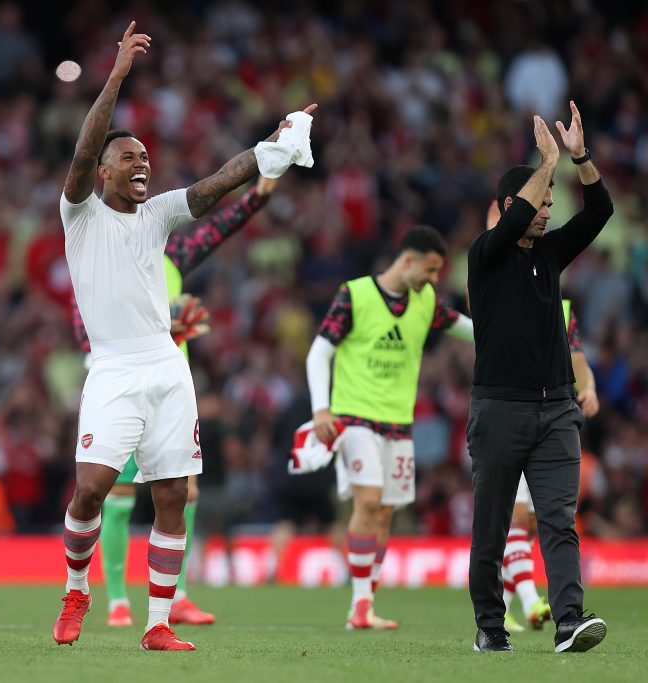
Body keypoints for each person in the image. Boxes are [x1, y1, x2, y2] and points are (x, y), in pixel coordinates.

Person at [54, 20, 314, 651]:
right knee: (90, 489)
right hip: (112, 369)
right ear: (104, 171)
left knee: (173, 495)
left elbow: (220, 182)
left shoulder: (159, 213)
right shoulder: (80, 214)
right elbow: (83, 152)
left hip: (167, 367)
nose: (141, 162)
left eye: (146, 156)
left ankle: (157, 624)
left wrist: (274, 144)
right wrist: (117, 76)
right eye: (129, 157)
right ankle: (77, 587)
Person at [73, 176, 279, 627]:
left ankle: (178, 596)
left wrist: (259, 194)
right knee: (116, 493)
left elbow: (217, 228)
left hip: (169, 386)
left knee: (184, 491)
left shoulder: (171, 254)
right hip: (120, 387)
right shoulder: (95, 250)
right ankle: (117, 601)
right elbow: (84, 323)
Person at [467, 103, 612, 653]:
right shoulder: (485, 256)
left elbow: (600, 210)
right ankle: (490, 625)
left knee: (559, 521)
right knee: (492, 527)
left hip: (556, 410)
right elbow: (510, 226)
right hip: (499, 409)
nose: (549, 210)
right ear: (512, 204)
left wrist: (579, 156)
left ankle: (569, 621)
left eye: (551, 203)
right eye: (543, 202)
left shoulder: (550, 254)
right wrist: (545, 162)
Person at [306, 226, 474, 630]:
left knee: (384, 513)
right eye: (430, 270)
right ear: (408, 260)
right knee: (368, 501)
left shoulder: (426, 302)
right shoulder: (354, 295)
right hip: (353, 418)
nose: (434, 279)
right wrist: (321, 409)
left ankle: (365, 605)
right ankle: (359, 604)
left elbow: (469, 329)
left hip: (399, 424)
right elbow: (319, 353)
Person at [483, 204, 600, 634]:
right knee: (514, 515)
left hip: (552, 419)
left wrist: (589, 387)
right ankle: (530, 601)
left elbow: (578, 357)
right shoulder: (497, 282)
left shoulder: (562, 308)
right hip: (507, 412)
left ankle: (514, 602)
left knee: (534, 520)